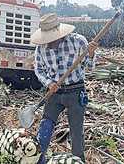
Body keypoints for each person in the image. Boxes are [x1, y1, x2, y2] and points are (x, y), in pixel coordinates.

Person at [30, 13, 98, 163]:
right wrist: (49, 83)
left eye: (51, 39)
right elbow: (39, 70)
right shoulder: (41, 49)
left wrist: (91, 54)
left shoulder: (78, 41)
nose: (48, 43)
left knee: (76, 130)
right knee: (45, 125)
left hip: (76, 91)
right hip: (54, 93)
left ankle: (78, 160)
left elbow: (90, 67)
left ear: (59, 34)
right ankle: (38, 159)